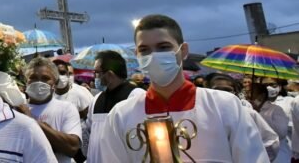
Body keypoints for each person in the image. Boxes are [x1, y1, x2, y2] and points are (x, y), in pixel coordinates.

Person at [99, 14, 269, 162]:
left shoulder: (224, 106)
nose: (153, 55)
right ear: (137, 55)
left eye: (163, 47)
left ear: (183, 50)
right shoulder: (121, 115)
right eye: (144, 50)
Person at [85, 50, 144, 163]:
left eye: (97, 73)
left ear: (110, 75)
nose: (95, 77)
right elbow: (90, 134)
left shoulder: (136, 96)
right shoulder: (96, 100)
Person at [206, 73, 280, 161]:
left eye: (228, 90)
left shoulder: (247, 113)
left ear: (235, 92)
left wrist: (256, 157)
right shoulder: (203, 115)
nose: (223, 94)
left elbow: (271, 141)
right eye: (218, 90)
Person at [23, 56, 81, 163]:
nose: (39, 82)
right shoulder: (18, 109)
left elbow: (72, 148)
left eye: (45, 78)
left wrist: (31, 120)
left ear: (54, 83)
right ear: (26, 81)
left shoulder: (66, 108)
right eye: (33, 77)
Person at [252, 82, 292, 162]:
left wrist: (259, 117)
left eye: (251, 93)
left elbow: (282, 133)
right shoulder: (249, 109)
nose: (248, 96)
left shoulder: (276, 109)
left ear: (262, 96)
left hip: (278, 155)